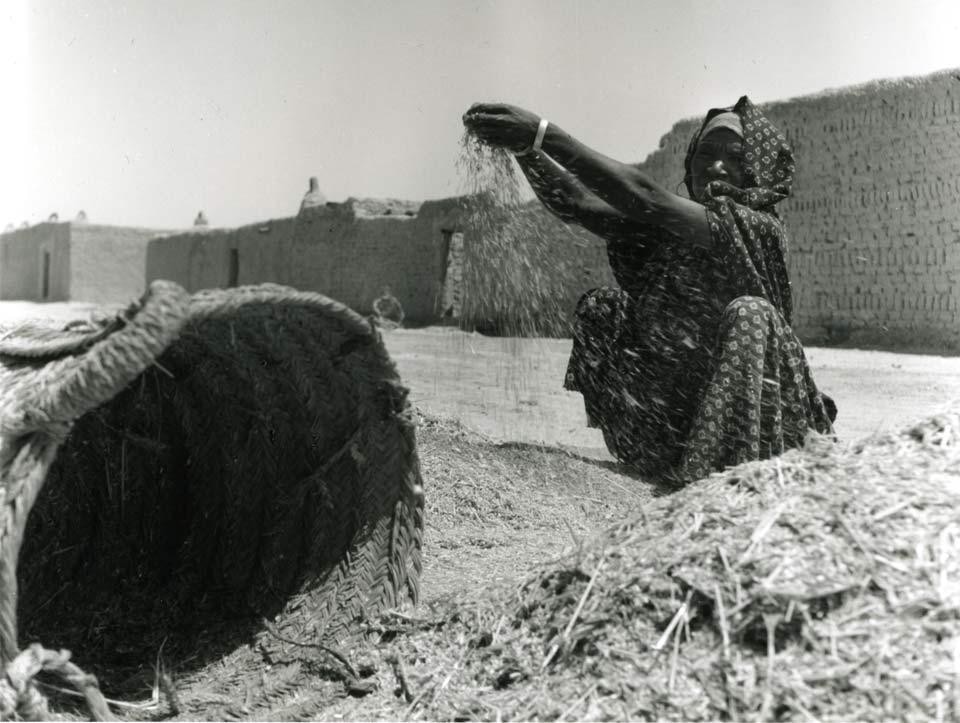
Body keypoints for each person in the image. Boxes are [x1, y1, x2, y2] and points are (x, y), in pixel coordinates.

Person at [462, 96, 836, 483]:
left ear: (757, 172)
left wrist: (543, 134)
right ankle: (658, 457)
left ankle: (729, 470)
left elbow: (648, 198)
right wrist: (524, 147)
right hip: (681, 418)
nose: (718, 165)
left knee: (750, 313)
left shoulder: (759, 228)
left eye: (737, 157)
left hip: (760, 430)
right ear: (690, 165)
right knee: (604, 308)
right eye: (706, 152)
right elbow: (575, 202)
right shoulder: (670, 229)